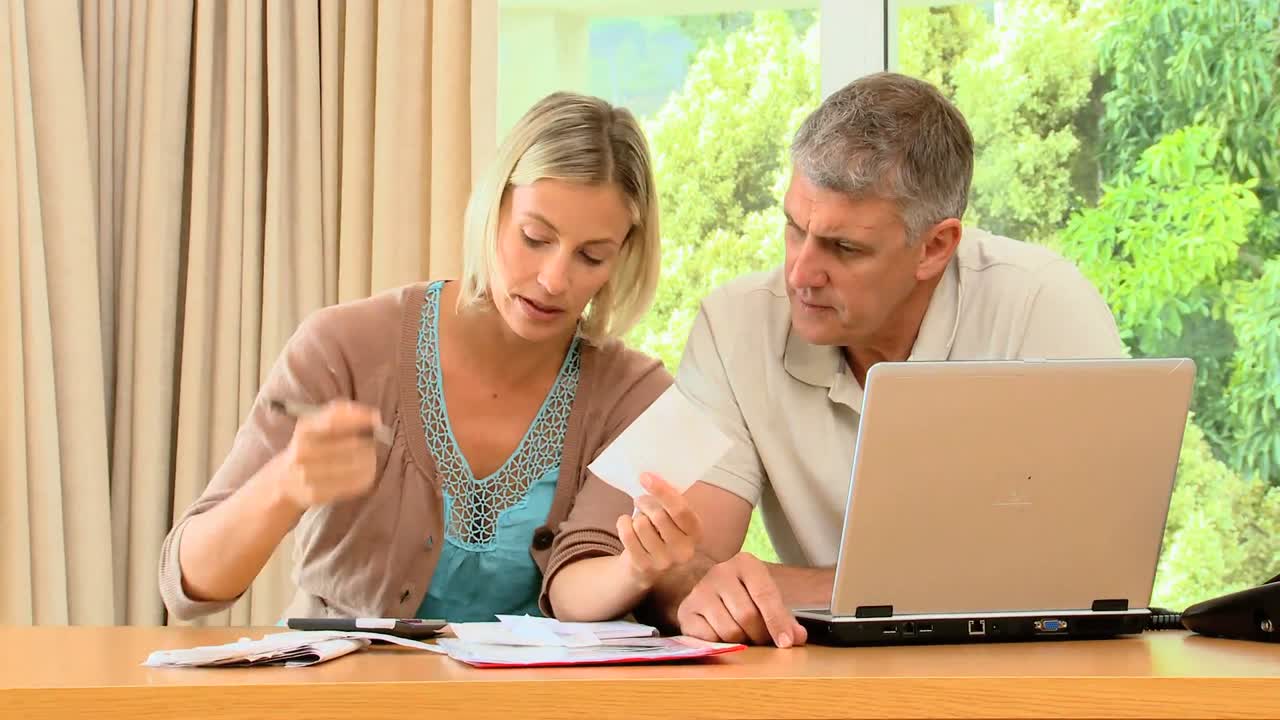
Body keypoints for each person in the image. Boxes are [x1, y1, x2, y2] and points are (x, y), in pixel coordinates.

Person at [159, 92, 703, 624]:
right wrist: (282, 485)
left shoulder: (633, 394)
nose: (554, 279)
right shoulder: (342, 346)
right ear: (494, 208)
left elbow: (577, 586)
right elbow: (189, 585)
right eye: (535, 237)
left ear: (624, 255)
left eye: (591, 256)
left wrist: (634, 568)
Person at [646, 72, 1128, 646]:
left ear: (935, 247)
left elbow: (1092, 569)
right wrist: (705, 590)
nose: (800, 274)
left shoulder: (1044, 306)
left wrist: (813, 589)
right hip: (835, 679)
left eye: (844, 247)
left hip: (1035, 668)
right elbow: (679, 562)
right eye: (795, 228)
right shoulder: (734, 323)